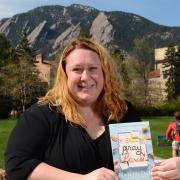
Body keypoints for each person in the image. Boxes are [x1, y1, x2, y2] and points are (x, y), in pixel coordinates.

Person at [5, 39, 140, 180]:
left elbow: (137, 163)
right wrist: (82, 179)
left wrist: (161, 167)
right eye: (77, 69)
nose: (85, 77)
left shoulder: (122, 111)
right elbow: (17, 165)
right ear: (65, 74)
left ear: (104, 73)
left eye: (93, 69)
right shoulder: (41, 115)